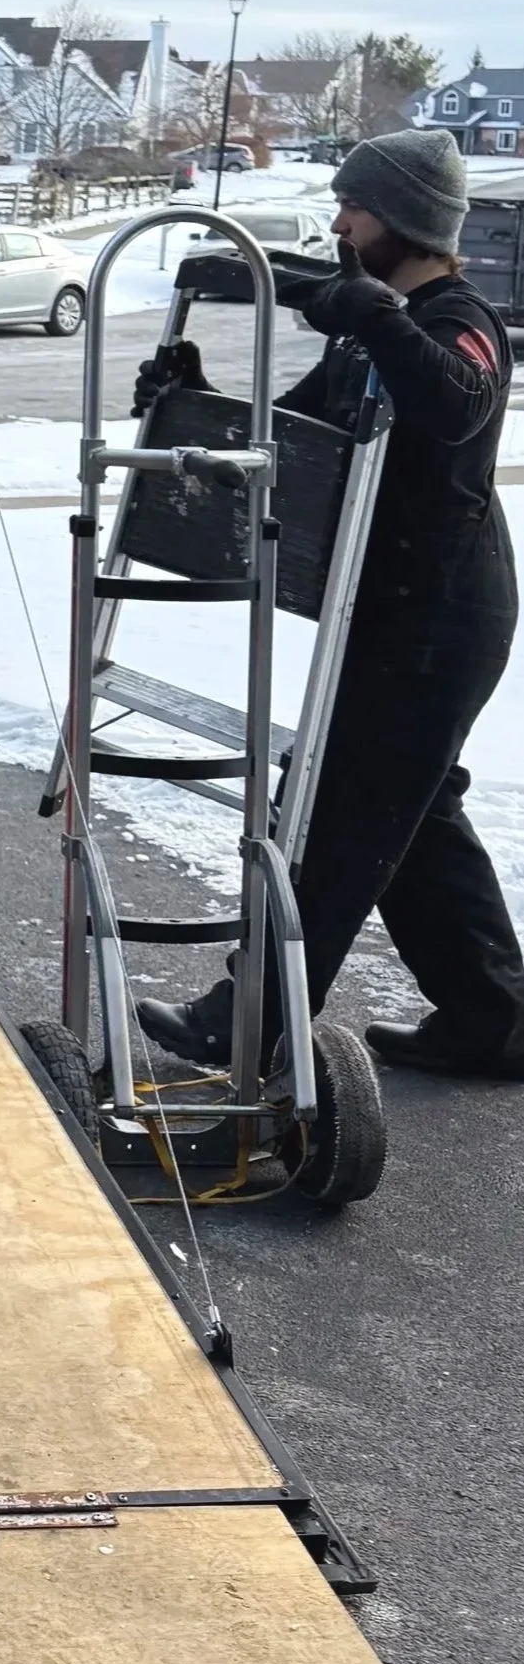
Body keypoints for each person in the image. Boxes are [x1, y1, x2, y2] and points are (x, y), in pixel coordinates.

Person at [136, 126, 524, 1081]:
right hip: (386, 609)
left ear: (401, 218)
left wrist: (377, 317)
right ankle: (494, 1017)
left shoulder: (457, 319)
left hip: (438, 617)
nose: (340, 223)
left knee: (337, 810)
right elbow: (290, 439)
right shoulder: (373, 327)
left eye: (354, 207)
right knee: (409, 813)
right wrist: (191, 400)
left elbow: (458, 402)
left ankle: (253, 1019)